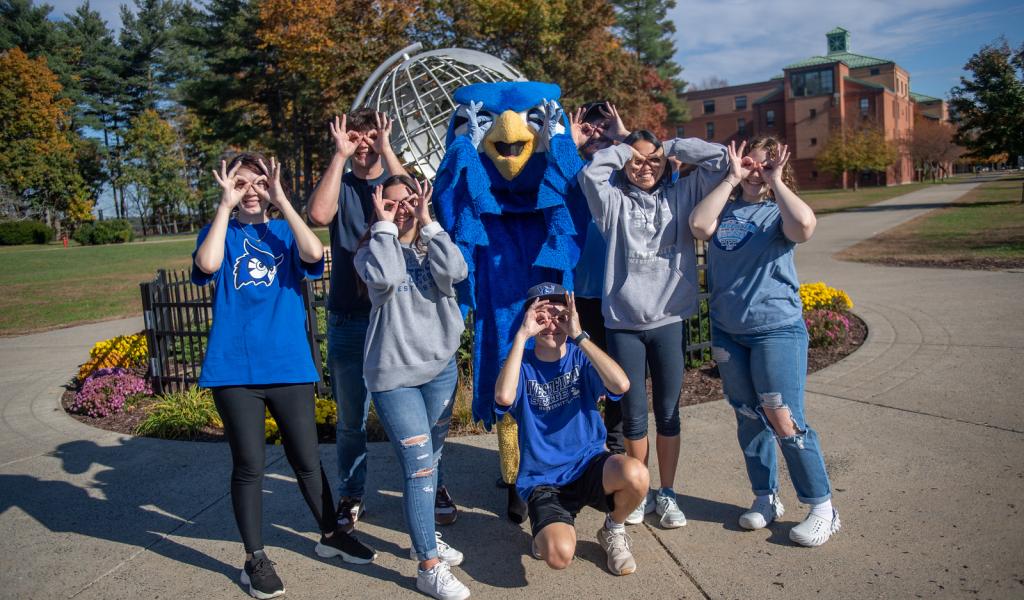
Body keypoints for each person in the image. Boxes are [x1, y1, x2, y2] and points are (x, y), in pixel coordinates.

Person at [193, 153, 376, 599]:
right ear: (227, 185)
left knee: (307, 460)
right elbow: (209, 265)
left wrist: (282, 201)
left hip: (289, 366)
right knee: (250, 465)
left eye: (258, 181)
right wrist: (223, 207)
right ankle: (254, 558)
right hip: (235, 371)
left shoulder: (282, 231)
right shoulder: (220, 230)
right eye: (241, 182)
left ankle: (330, 534)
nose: (250, 190)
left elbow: (315, 253)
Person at [307, 109, 459, 530]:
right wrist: (340, 156)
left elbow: (412, 190)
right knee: (352, 421)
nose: (364, 143)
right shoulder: (342, 184)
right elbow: (319, 216)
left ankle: (435, 483)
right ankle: (352, 494)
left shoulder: (391, 184)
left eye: (371, 135)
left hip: (401, 324)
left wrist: (387, 147)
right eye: (355, 135)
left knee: (425, 423)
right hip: (352, 319)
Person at [689, 138, 840, 547]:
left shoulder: (779, 211)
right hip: (728, 330)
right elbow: (700, 226)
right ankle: (766, 497)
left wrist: (775, 181)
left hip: (776, 328)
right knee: (748, 416)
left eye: (767, 163)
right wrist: (732, 178)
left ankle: (822, 507)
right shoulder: (727, 207)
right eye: (753, 160)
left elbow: (805, 227)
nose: (757, 168)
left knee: (783, 416)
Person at [579, 131, 729, 529]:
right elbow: (592, 173)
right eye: (637, 161)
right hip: (624, 324)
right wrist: (626, 149)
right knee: (632, 417)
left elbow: (721, 160)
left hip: (668, 320)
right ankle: (640, 490)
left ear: (666, 163)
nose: (645, 168)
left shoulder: (682, 194)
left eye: (653, 161)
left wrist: (673, 147)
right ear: (626, 163)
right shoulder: (612, 202)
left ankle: (669, 493)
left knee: (668, 412)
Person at [354, 175, 471, 600]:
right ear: (379, 205)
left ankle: (425, 535)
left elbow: (456, 272)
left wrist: (429, 222)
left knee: (433, 460)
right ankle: (427, 567)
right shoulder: (370, 251)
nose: (402, 208)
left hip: (438, 369)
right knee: (419, 466)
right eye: (392, 202)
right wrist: (384, 226)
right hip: (394, 376)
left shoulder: (431, 244)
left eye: (409, 200)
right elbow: (384, 281)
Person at [494, 284, 648, 576]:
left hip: (588, 464)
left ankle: (613, 529)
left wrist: (579, 335)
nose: (551, 324)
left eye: (558, 315)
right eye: (542, 316)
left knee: (636, 474)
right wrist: (521, 336)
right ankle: (552, 527)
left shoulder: (580, 358)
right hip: (544, 478)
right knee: (559, 555)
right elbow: (503, 398)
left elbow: (621, 385)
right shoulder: (521, 365)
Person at [568, 102, 630, 455]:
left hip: (618, 293)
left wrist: (622, 138)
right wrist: (572, 143)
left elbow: (664, 162)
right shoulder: (570, 170)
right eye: (589, 128)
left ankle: (617, 446)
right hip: (579, 295)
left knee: (618, 374)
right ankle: (582, 444)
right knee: (579, 374)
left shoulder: (627, 173)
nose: (596, 135)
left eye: (603, 129)